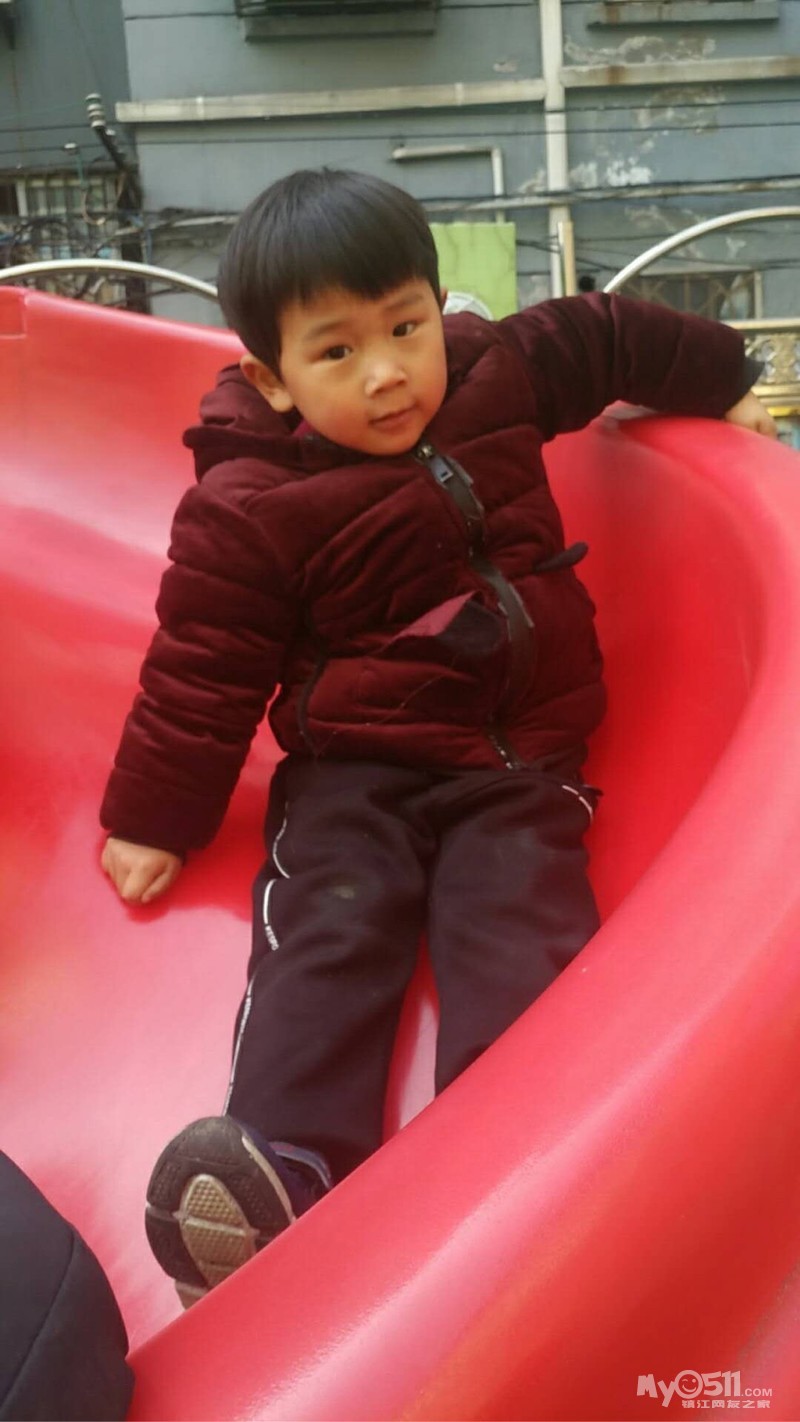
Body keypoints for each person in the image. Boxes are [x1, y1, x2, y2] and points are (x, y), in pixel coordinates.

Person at [99, 169, 776, 1307]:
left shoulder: (491, 373)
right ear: (271, 378)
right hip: (353, 769)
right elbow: (202, 666)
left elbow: (608, 334)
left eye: (404, 327)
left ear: (434, 305)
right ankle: (285, 1171)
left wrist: (729, 382)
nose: (386, 373)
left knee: (518, 931)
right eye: (337, 351)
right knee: (327, 932)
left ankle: (523, 1165)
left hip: (517, 760)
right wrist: (153, 817)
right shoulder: (251, 504)